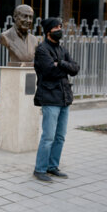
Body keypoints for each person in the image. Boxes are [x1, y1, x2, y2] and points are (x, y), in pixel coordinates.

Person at [33, 17, 80, 182]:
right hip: (50, 98)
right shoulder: (42, 50)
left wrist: (59, 63)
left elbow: (75, 68)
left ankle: (52, 167)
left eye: (61, 26)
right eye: (57, 27)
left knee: (60, 136)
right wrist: (62, 67)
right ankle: (40, 169)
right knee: (48, 137)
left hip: (64, 98)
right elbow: (49, 72)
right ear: (48, 31)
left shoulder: (62, 50)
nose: (60, 29)